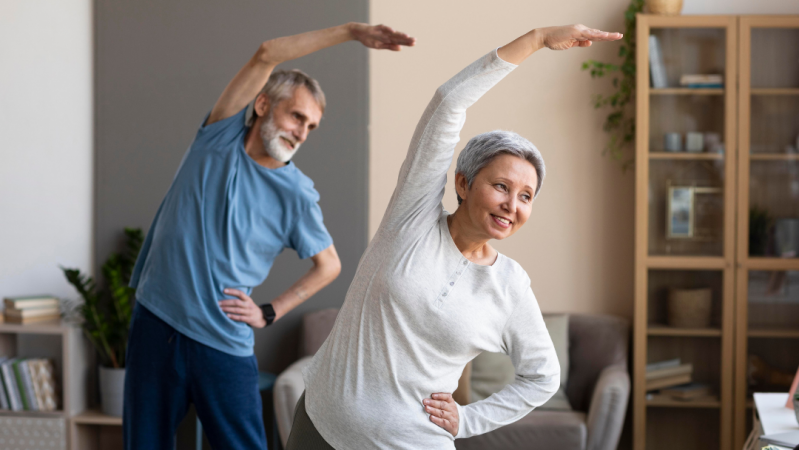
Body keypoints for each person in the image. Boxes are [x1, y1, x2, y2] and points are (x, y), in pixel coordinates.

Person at [289, 24, 622, 449]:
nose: (511, 205)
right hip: (320, 428)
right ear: (463, 184)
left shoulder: (510, 285)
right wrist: (536, 40)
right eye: (501, 187)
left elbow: (543, 377)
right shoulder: (411, 220)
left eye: (525, 196)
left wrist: (468, 420)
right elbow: (449, 102)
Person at [123, 22, 415, 450]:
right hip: (155, 322)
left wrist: (270, 311)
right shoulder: (217, 137)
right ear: (262, 104)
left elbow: (329, 265)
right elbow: (267, 53)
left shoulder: (297, 195)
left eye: (311, 126)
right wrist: (353, 32)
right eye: (297, 116)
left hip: (221, 342)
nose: (301, 132)